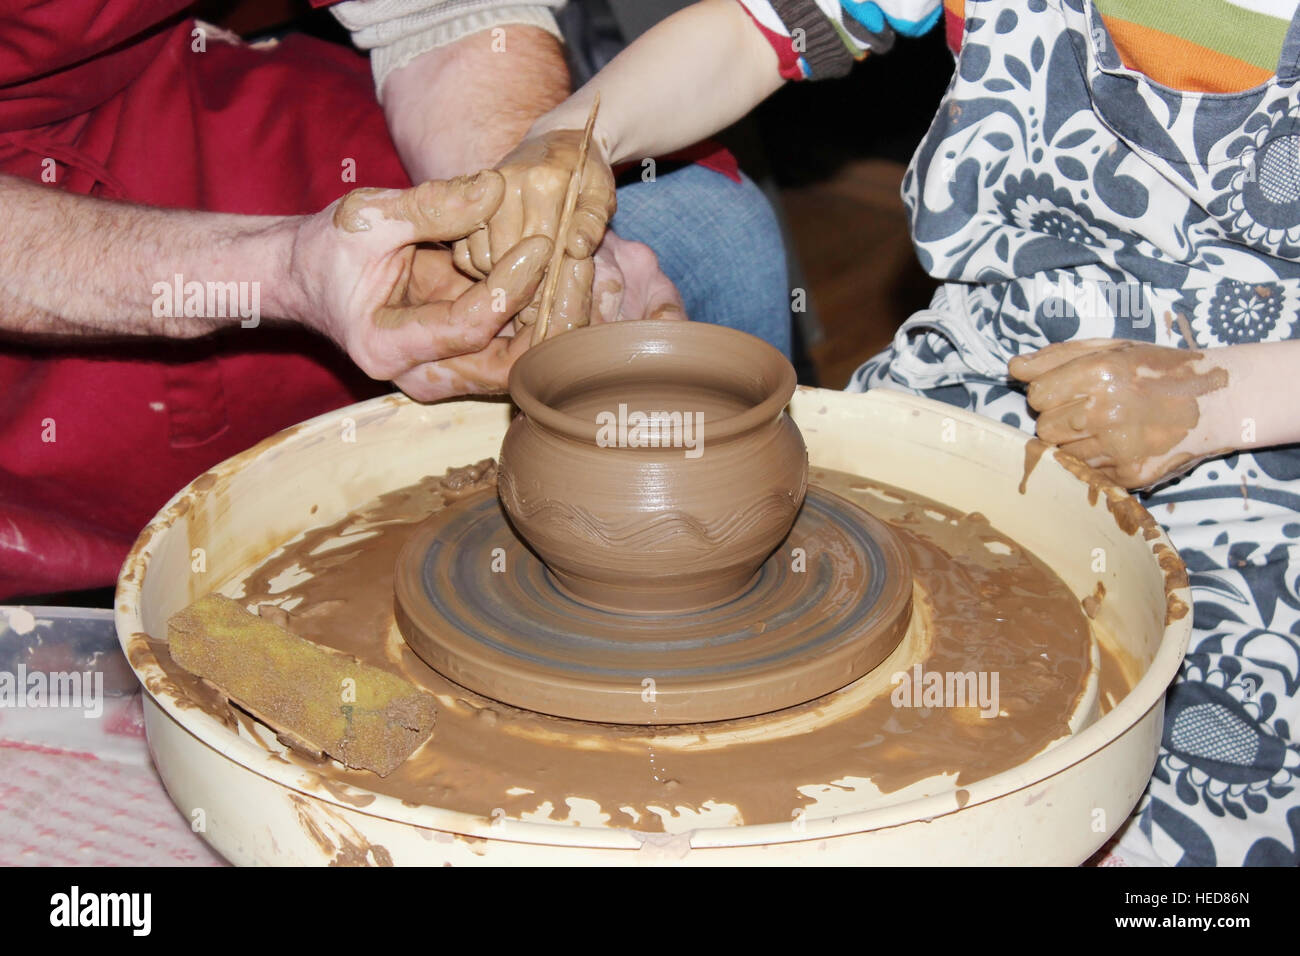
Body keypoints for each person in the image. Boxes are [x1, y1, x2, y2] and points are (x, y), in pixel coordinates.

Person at [474, 0, 1300, 866]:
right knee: (796, 631)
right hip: (996, 354)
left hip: (1258, 422)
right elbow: (752, 33)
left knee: (1214, 767)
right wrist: (575, 135)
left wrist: (1221, 400)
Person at [0, 0, 788, 601]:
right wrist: (281, 273)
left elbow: (438, 13)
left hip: (146, 93)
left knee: (708, 236)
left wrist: (521, 218)